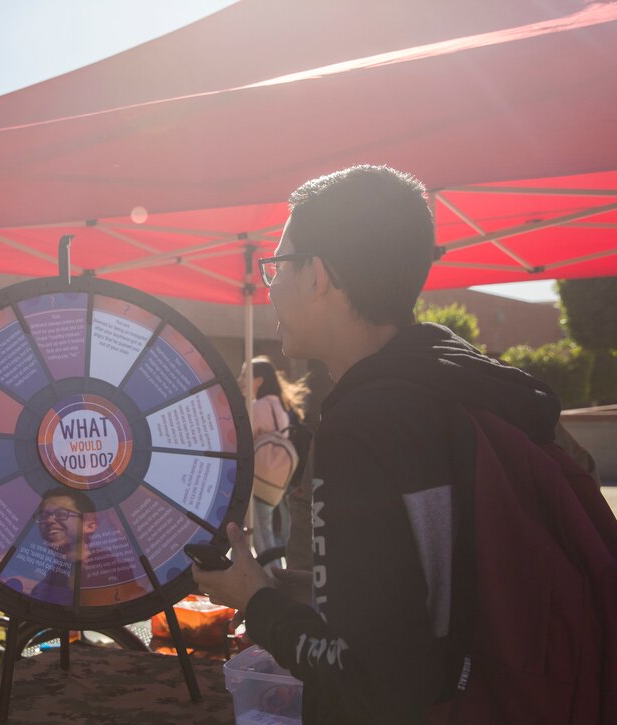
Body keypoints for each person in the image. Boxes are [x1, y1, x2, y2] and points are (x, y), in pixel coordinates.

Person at [193, 165, 565, 723]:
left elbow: (373, 680)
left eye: (276, 266)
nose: (270, 285)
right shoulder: (454, 384)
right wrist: (308, 589)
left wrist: (257, 601)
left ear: (316, 274)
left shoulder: (363, 426)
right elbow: (428, 591)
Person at [240, 356, 308, 555]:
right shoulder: (279, 405)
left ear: (259, 380)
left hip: (256, 477)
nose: (241, 379)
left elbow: (242, 439)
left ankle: (272, 577)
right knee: (263, 529)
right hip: (275, 481)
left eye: (245, 375)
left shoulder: (259, 406)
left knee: (260, 536)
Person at [31, 487, 137, 606]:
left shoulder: (114, 574)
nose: (49, 520)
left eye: (61, 514)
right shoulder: (43, 586)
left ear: (90, 524)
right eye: (43, 516)